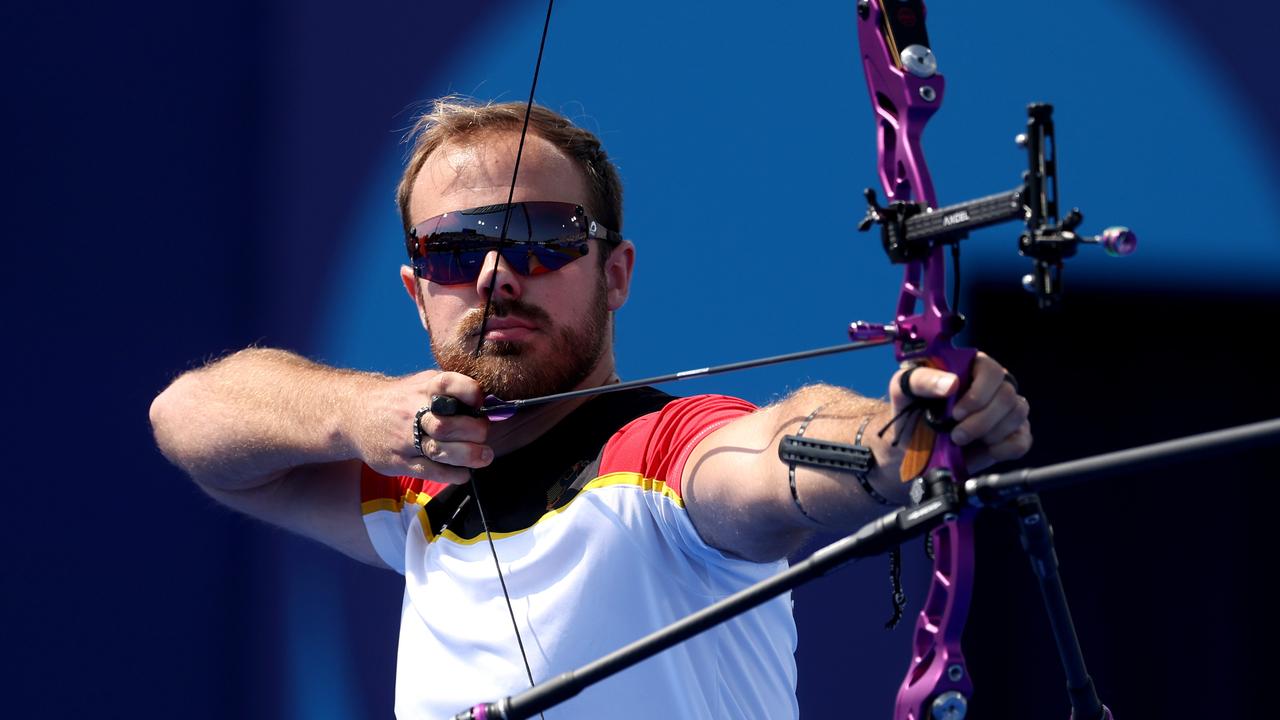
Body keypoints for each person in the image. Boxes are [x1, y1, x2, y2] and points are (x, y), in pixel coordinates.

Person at [149, 98, 1031, 719]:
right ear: (419, 295)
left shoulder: (660, 458)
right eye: (456, 251)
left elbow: (769, 454)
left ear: (615, 274)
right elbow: (188, 419)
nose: (496, 274)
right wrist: (360, 410)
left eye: (541, 238)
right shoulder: (418, 487)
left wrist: (900, 438)